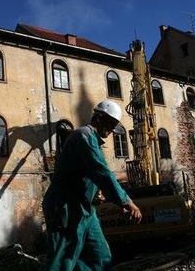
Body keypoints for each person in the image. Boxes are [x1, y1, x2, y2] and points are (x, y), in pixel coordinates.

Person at [42, 100, 142, 270]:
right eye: (110, 124)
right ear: (99, 117)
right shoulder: (84, 136)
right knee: (62, 262)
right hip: (66, 209)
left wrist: (97, 193)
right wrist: (126, 201)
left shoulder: (92, 140)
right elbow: (101, 172)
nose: (112, 130)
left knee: (100, 258)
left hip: (85, 211)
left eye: (115, 125)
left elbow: (91, 175)